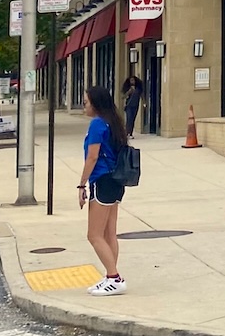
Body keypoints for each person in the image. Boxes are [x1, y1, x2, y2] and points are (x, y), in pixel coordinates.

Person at [78, 85, 128, 296]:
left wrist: (82, 184)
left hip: (102, 181)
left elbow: (92, 157)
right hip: (115, 181)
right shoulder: (114, 122)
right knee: (109, 233)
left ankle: (114, 277)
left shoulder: (97, 124)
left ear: (96, 104)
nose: (84, 107)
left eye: (86, 103)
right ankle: (111, 276)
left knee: (94, 235)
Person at [122, 74, 144, 140]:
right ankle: (127, 133)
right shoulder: (128, 88)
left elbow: (142, 95)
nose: (132, 82)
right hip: (129, 106)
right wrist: (129, 91)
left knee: (133, 119)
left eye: (133, 80)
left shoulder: (138, 89)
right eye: (131, 80)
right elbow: (123, 97)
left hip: (135, 105)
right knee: (129, 119)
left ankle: (130, 133)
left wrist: (144, 103)